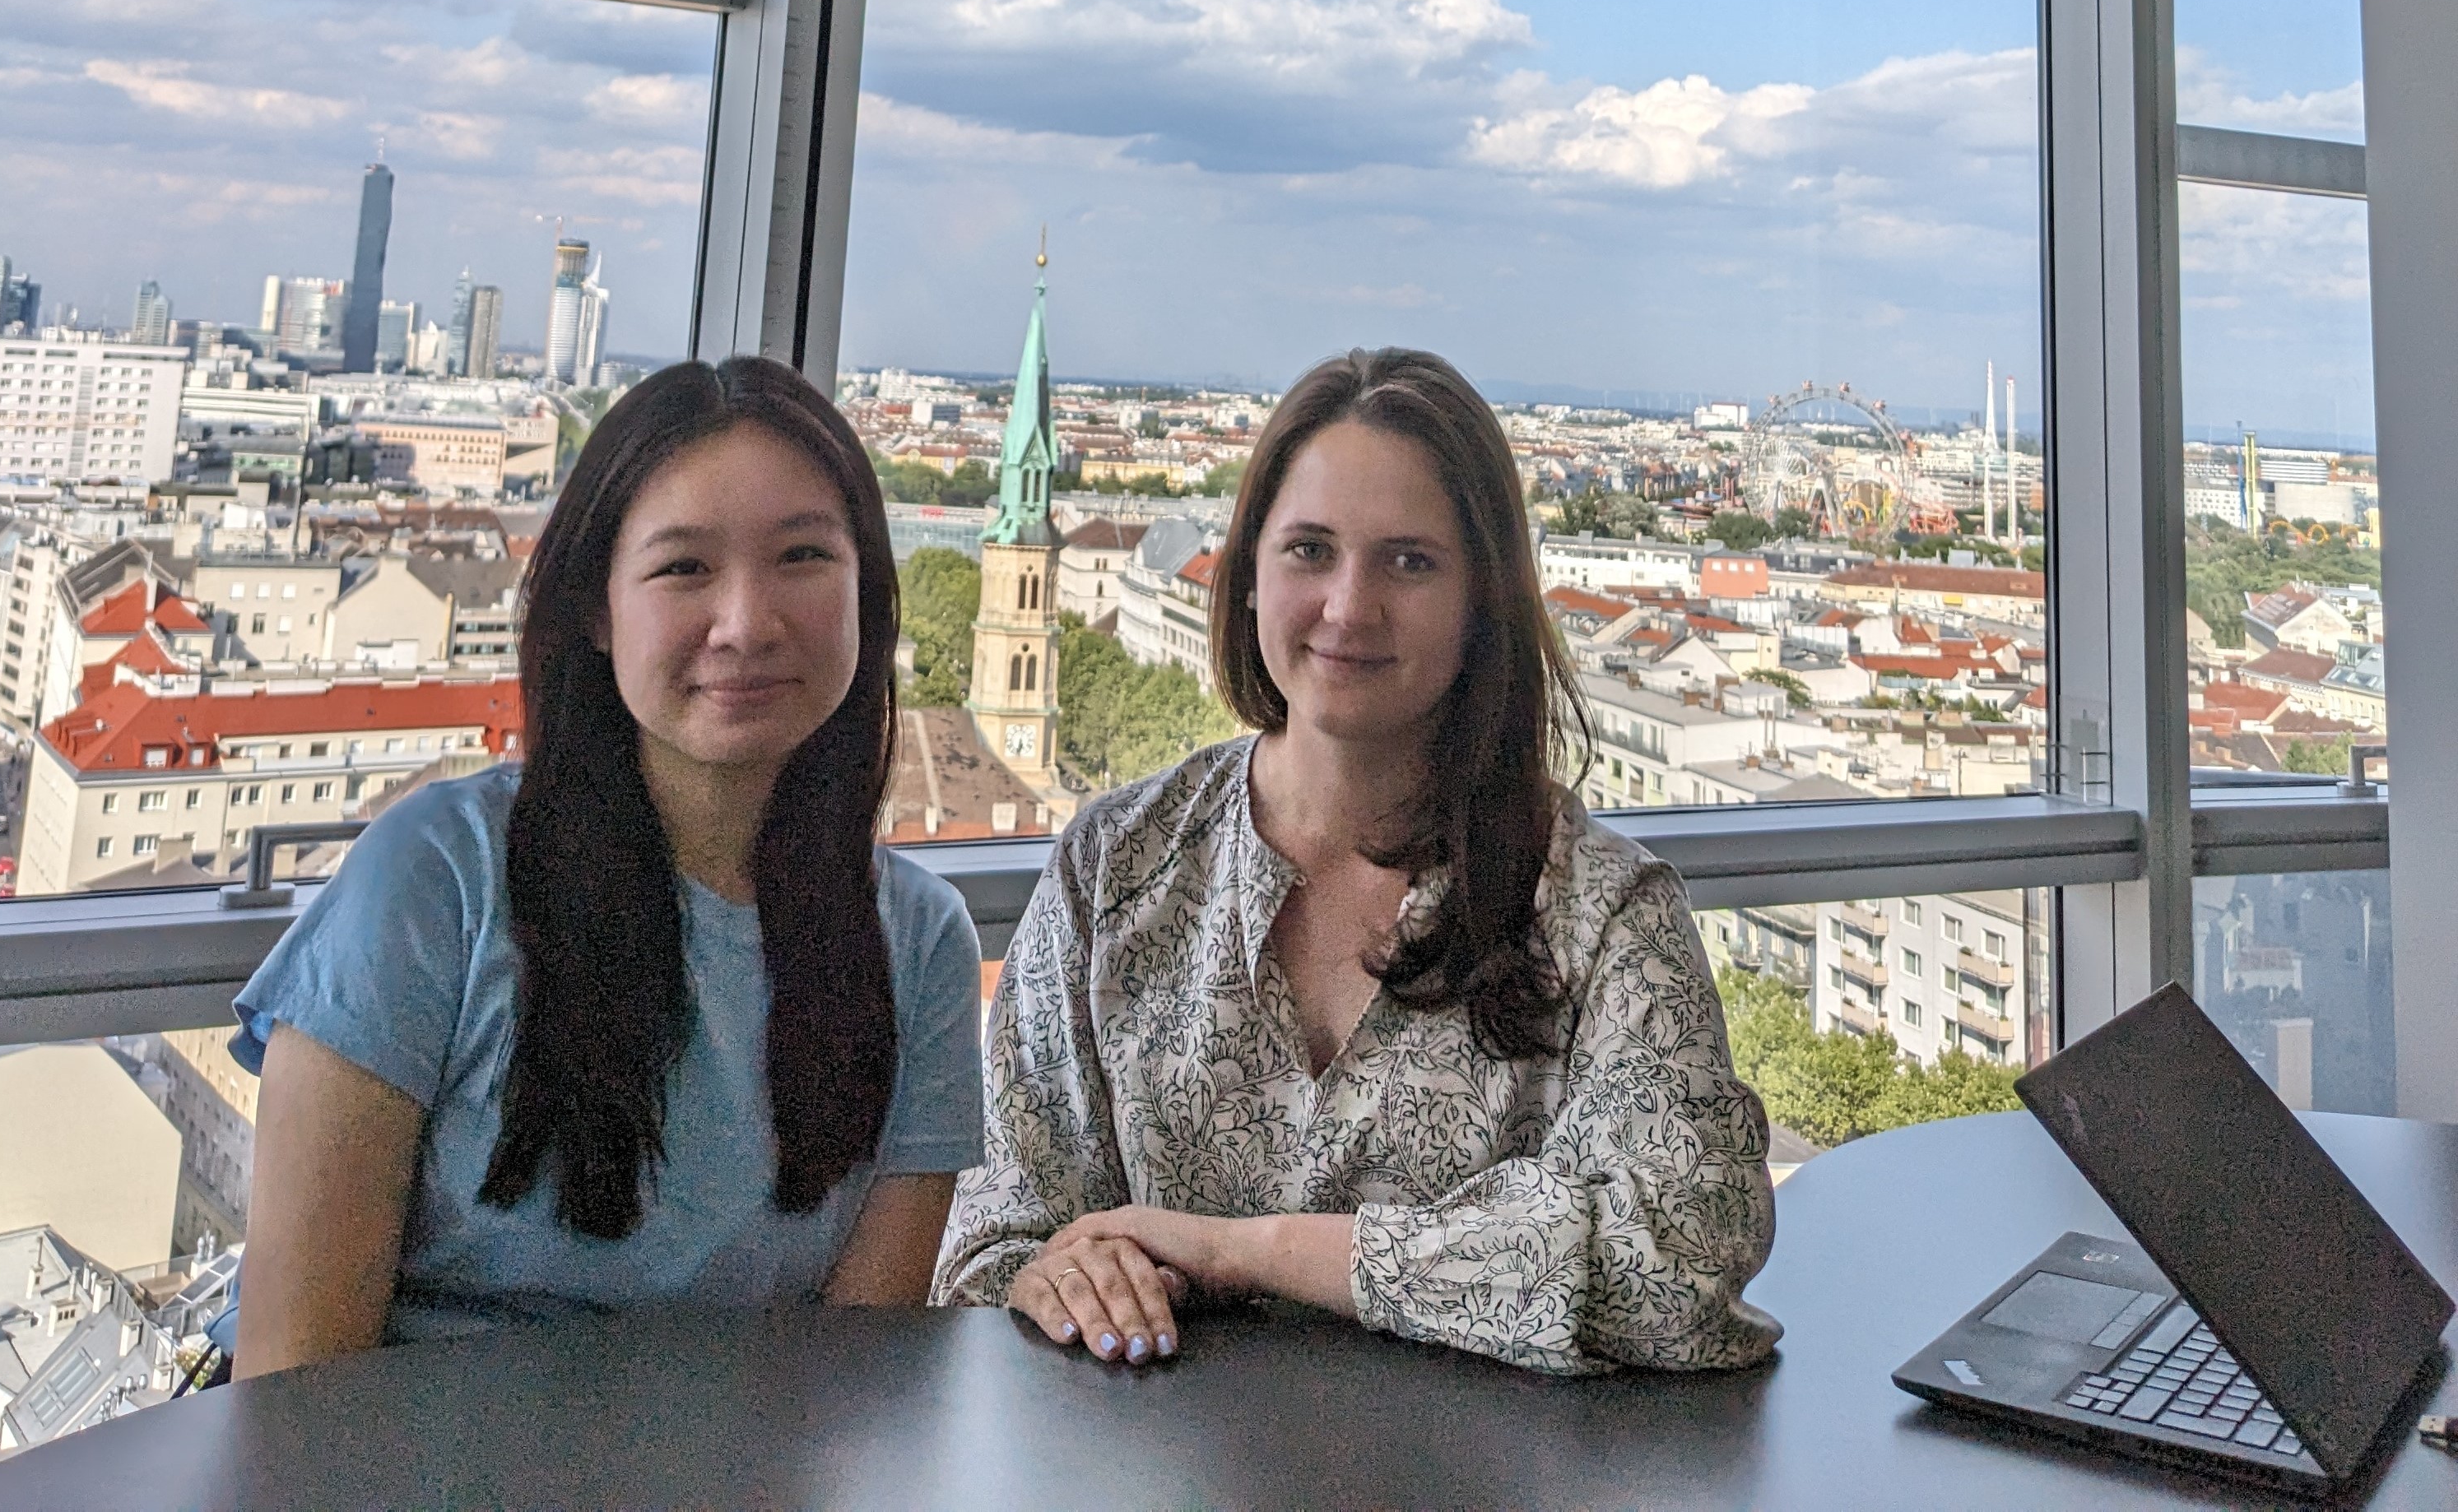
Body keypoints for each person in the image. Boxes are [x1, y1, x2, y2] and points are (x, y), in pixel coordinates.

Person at [934, 347, 1780, 1375]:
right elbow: (993, 1242)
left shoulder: (1605, 915)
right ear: (1249, 576)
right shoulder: (1115, 870)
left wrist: (1243, 1252)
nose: (1349, 606)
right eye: (1309, 551)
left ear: (1486, 605)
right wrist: (1049, 1277)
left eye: (1410, 561)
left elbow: (1680, 1263)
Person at [230, 357, 982, 1377]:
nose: (748, 623)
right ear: (596, 609)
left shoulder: (920, 944)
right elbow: (294, 1390)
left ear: (868, 596)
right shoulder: (434, 880)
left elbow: (847, 1387)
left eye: (803, 556)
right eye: (684, 569)